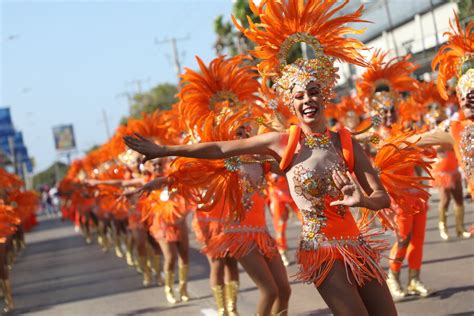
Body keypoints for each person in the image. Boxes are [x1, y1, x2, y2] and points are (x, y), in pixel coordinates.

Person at [124, 1, 397, 315]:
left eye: (312, 92)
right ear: (290, 103)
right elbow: (221, 151)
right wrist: (167, 150)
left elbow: (382, 197)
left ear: (324, 93)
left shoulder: (346, 142)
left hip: (357, 246)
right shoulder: (282, 143)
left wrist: (362, 200)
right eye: (298, 95)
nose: (307, 100)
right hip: (321, 249)